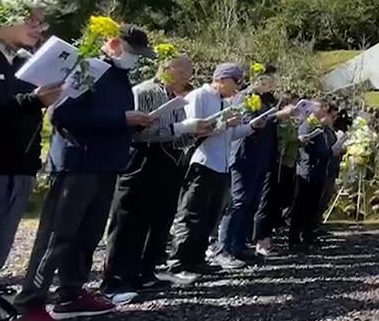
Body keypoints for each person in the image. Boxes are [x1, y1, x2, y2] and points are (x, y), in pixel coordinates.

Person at [9, 24, 157, 321]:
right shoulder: (87, 69)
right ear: (114, 44)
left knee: (87, 233)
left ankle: (71, 292)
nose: (135, 60)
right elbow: (63, 115)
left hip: (107, 165)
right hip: (78, 165)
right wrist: (121, 120)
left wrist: (134, 125)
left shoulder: (120, 79)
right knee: (58, 235)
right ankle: (29, 304)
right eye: (132, 53)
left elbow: (111, 119)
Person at [100, 54, 212, 295]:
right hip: (143, 160)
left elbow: (179, 135)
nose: (186, 79)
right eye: (182, 73)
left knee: (159, 218)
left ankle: (146, 270)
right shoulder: (143, 91)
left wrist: (197, 130)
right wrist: (181, 128)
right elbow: (139, 131)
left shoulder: (176, 99)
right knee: (130, 220)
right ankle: (117, 275)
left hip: (169, 163)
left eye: (189, 74)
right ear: (167, 68)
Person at [0, 0, 62, 321]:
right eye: (30, 20)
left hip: (17, 172)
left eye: (42, 22)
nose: (39, 28)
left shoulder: (18, 64)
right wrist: (34, 101)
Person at [167, 63, 255, 281]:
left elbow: (230, 135)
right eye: (237, 82)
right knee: (191, 215)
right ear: (223, 79)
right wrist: (223, 124)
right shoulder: (199, 96)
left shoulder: (222, 101)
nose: (238, 87)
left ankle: (197, 259)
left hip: (221, 164)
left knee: (210, 217)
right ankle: (180, 262)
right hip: (202, 163)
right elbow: (193, 130)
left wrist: (251, 126)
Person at [216, 66, 291, 267]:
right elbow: (246, 122)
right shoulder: (245, 97)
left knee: (252, 202)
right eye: (270, 80)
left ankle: (239, 245)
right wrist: (276, 117)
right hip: (244, 155)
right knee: (238, 202)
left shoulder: (266, 101)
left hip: (261, 156)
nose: (274, 84)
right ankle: (224, 247)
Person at [254, 93, 301, 257]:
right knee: (265, 202)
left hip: (282, 163)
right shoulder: (276, 121)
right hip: (273, 162)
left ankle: (266, 238)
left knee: (273, 202)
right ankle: (260, 240)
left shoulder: (287, 122)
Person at [289, 102, 335, 248]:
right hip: (308, 170)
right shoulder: (307, 125)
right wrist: (330, 152)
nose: (323, 110)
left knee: (313, 206)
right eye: (320, 107)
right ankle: (295, 238)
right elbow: (306, 148)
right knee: (301, 205)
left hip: (319, 171)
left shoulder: (319, 127)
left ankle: (308, 236)